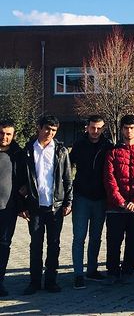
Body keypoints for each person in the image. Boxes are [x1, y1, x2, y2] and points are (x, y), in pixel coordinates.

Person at [20, 115, 73, 294]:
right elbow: (21, 180)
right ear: (39, 127)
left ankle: (51, 281)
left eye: (54, 130)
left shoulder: (61, 151)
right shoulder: (28, 150)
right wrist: (22, 205)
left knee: (54, 244)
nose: (50, 133)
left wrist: (68, 202)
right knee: (36, 245)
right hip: (35, 206)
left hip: (55, 207)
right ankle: (34, 282)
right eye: (47, 129)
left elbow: (67, 178)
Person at [103, 114, 134, 283]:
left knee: (133, 240)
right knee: (113, 240)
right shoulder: (113, 153)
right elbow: (109, 179)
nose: (129, 131)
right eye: (126, 128)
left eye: (132, 128)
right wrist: (121, 201)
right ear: (122, 129)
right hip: (115, 206)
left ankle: (128, 271)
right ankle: (112, 271)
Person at [70, 115, 113, 289]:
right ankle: (78, 274)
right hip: (81, 197)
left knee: (96, 237)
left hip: (101, 198)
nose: (95, 131)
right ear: (87, 127)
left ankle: (92, 270)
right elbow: (68, 168)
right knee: (79, 237)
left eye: (99, 128)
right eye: (93, 127)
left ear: (103, 128)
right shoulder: (79, 145)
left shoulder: (108, 146)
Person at [0, 120, 23, 297]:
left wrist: (22, 206)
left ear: (13, 135)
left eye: (8, 134)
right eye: (1, 133)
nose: (4, 137)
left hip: (8, 209)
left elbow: (23, 182)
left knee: (4, 245)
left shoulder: (17, 154)